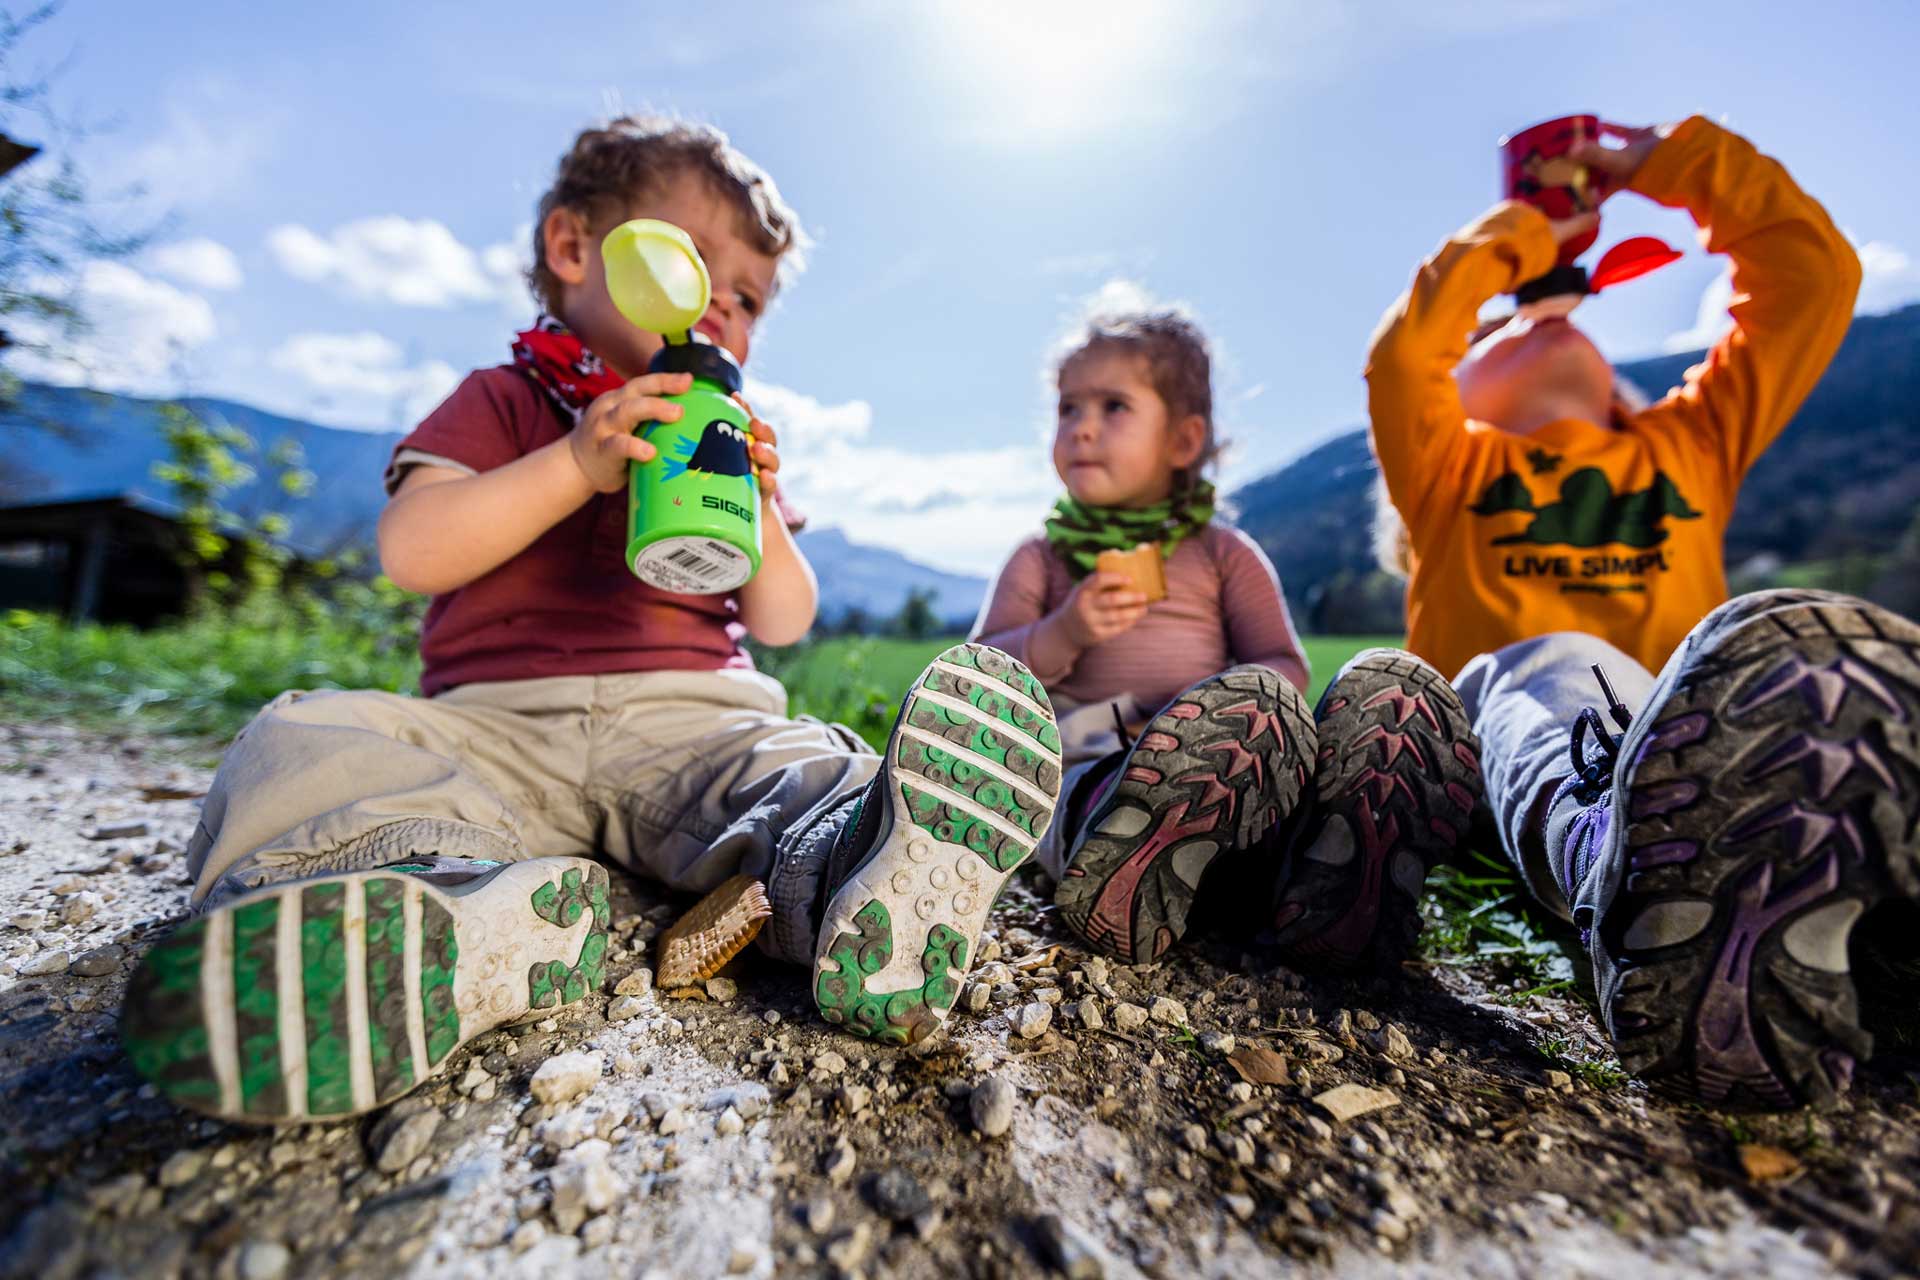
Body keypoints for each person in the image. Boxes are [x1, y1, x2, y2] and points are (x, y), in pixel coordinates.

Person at [119, 115, 1062, 1124]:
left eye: (746, 301)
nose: (721, 313)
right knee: (303, 736)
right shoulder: (506, 401)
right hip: (497, 726)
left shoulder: (722, 438)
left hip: (692, 721)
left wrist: (764, 518)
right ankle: (436, 903)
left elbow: (784, 618)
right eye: (695, 271)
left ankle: (869, 871)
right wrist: (573, 461)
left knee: (799, 765)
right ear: (575, 251)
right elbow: (412, 547)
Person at [1368, 115, 1915, 1108]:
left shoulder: (1688, 443)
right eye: (1501, 325)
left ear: (1623, 385)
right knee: (1557, 660)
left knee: (1795, 658)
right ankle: (1634, 873)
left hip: (1713, 740)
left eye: (1568, 313)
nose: (1545, 317)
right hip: (1537, 743)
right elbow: (1406, 360)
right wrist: (1529, 240)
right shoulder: (1456, 472)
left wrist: (1657, 163)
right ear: (1464, 397)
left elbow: (1813, 277)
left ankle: (1867, 922)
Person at [974, 295, 1482, 969]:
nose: (1081, 429)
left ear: (1183, 440)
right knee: (1074, 786)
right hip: (1084, 756)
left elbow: (1283, 665)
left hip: (1235, 776)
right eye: (1068, 407)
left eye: (1112, 407)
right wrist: (1064, 632)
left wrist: (1211, 717)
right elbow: (980, 675)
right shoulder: (1042, 557)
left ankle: (1331, 865)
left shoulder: (1222, 554)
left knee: (1264, 732)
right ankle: (1128, 840)